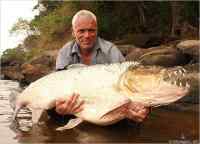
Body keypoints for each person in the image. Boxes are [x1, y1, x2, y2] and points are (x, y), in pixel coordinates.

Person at [49, 10, 149, 124]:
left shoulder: (111, 50)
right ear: (73, 32)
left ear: (97, 30)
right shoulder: (64, 52)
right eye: (81, 31)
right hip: (76, 101)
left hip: (105, 100)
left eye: (91, 30)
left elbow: (129, 83)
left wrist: (141, 108)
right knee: (52, 110)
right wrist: (60, 109)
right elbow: (57, 85)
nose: (87, 35)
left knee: (132, 117)